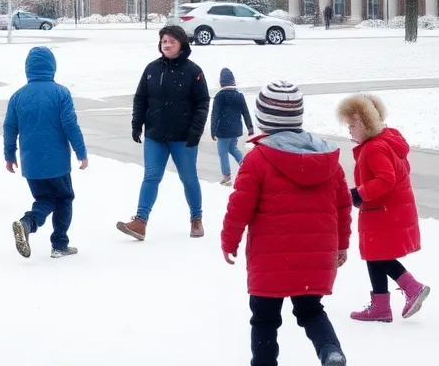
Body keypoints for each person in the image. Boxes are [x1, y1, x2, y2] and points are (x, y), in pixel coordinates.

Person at [221, 80, 350, 366]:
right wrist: (342, 244)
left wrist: (229, 240)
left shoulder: (257, 160)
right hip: (317, 255)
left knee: (265, 319)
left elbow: (238, 207)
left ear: (263, 119)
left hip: (271, 258)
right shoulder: (328, 160)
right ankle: (330, 350)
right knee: (311, 311)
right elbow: (342, 205)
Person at [336, 93, 430, 323]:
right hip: (387, 210)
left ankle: (411, 286)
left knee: (378, 255)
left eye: (352, 126)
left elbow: (386, 179)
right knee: (374, 255)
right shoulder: (387, 140)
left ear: (365, 124)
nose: (349, 131)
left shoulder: (374, 148)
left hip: (382, 211)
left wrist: (358, 193)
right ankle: (381, 306)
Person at [116, 25, 210, 241]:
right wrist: (136, 123)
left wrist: (196, 131)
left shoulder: (193, 71)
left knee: (189, 179)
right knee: (150, 177)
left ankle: (196, 218)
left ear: (181, 45)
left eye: (171, 41)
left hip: (183, 137)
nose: (166, 45)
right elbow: (141, 98)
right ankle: (140, 222)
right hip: (155, 135)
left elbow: (202, 102)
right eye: (163, 41)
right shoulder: (151, 69)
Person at [4, 46, 88, 259]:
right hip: (57, 160)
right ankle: (59, 244)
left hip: (31, 163)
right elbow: (70, 124)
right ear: (52, 67)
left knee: (45, 199)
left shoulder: (17, 97)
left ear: (28, 68)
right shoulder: (60, 93)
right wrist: (80, 151)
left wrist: (9, 155)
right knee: (64, 197)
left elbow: (9, 128)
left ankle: (28, 223)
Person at [211, 67, 254, 185]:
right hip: (235, 129)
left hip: (223, 130)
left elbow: (215, 114)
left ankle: (227, 176)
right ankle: (246, 165)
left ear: (221, 82)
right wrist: (250, 128)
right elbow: (245, 112)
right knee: (232, 148)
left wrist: (212, 130)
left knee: (222, 152)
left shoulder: (219, 96)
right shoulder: (239, 96)